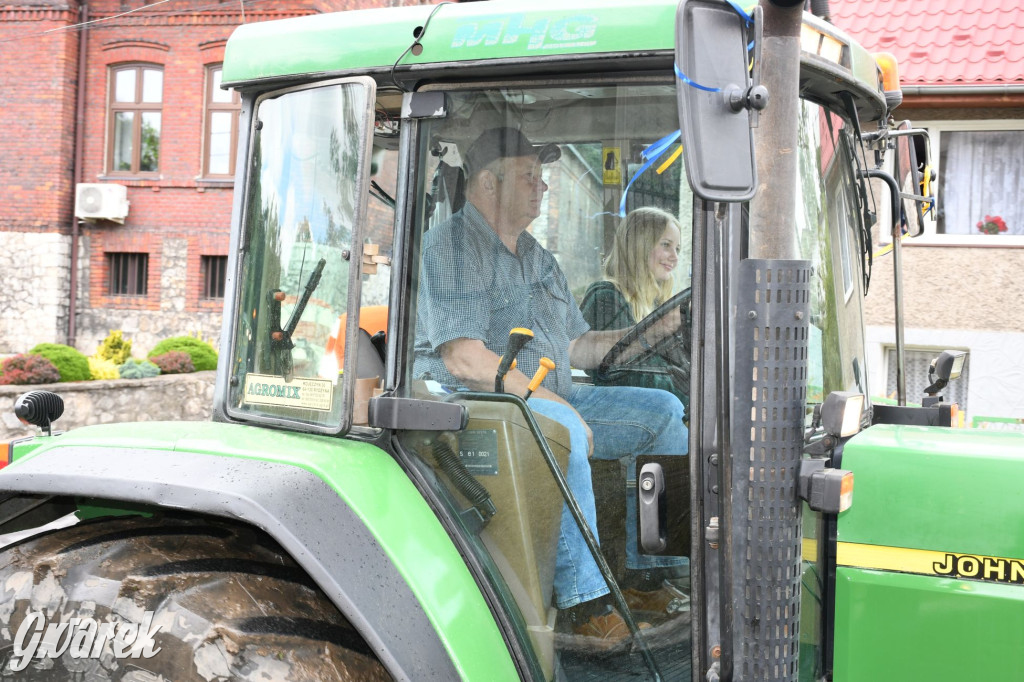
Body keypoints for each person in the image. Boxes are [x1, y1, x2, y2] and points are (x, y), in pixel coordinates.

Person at [413, 127, 688, 643]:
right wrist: (552, 400)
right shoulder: (452, 245)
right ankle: (588, 604)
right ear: (489, 184)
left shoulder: (537, 256)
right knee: (559, 423)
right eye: (529, 177)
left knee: (664, 411)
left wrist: (652, 331)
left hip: (547, 392)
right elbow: (465, 358)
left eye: (542, 177)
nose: (542, 187)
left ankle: (650, 575)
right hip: (476, 405)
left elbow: (578, 348)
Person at [579, 207, 689, 416]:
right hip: (625, 413)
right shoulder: (606, 297)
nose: (674, 257)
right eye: (666, 245)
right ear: (640, 246)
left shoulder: (659, 305)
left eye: (678, 249)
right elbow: (624, 375)